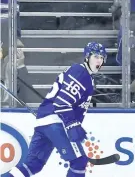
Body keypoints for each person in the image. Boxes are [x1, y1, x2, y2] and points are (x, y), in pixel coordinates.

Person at [9, 42, 107, 177]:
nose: (99, 61)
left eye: (102, 58)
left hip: (44, 122)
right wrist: (72, 125)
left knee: (33, 165)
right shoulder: (81, 72)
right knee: (79, 162)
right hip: (57, 122)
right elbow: (62, 103)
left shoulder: (85, 75)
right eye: (96, 56)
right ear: (87, 57)